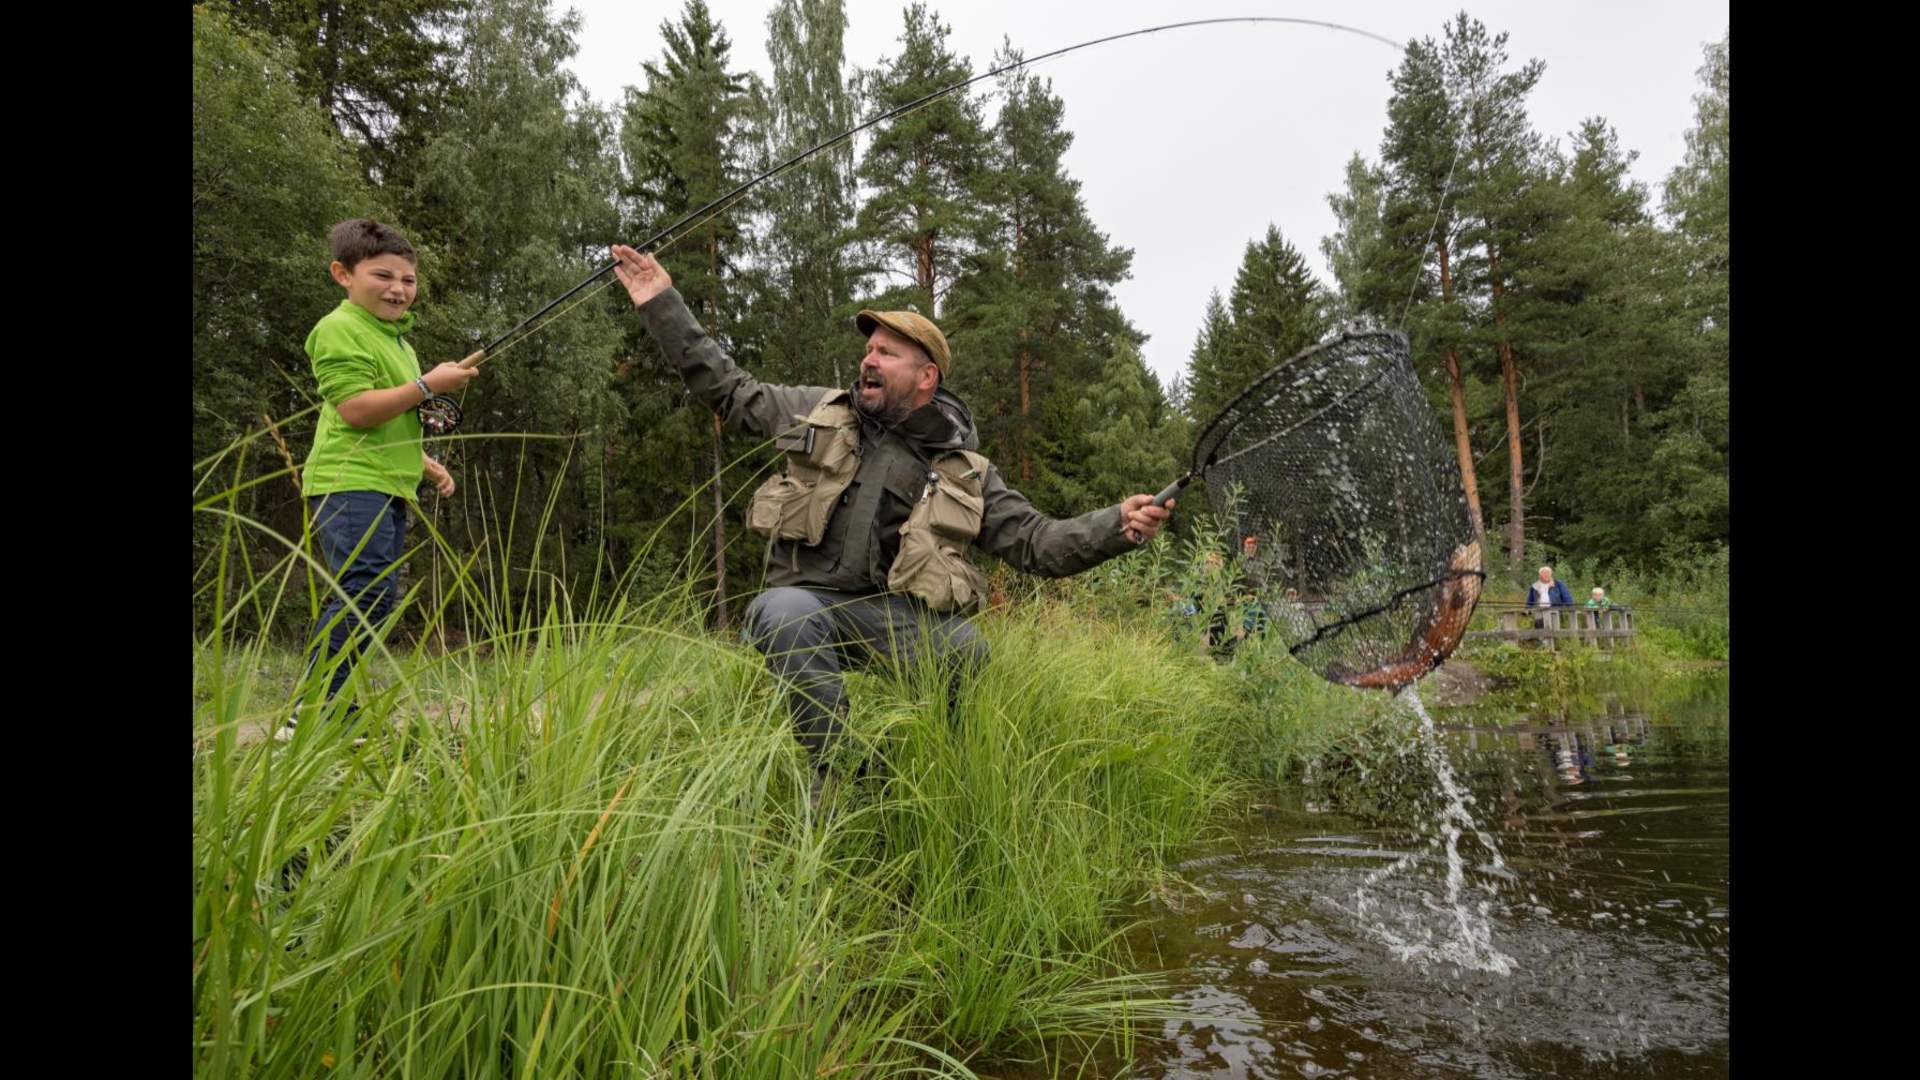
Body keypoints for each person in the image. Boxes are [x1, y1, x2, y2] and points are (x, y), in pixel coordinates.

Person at [608, 245, 1172, 797]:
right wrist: (662, 302)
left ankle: (940, 776)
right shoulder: (817, 409)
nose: (868, 360)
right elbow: (729, 391)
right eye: (869, 349)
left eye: (885, 352)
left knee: (968, 651)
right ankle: (839, 773)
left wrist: (1115, 526)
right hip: (807, 608)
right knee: (780, 612)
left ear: (926, 376)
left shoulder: (964, 470)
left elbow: (1036, 542)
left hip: (892, 623)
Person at [276, 219, 480, 743]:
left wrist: (424, 460)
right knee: (362, 591)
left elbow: (394, 413)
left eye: (408, 280)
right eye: (383, 275)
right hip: (348, 482)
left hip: (389, 483)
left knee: (376, 596)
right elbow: (356, 409)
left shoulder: (399, 343)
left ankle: (336, 711)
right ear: (343, 274)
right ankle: (312, 712)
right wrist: (428, 383)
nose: (398, 289)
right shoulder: (338, 329)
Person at [1529, 565, 1574, 629]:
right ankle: (1541, 638)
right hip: (1539, 611)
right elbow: (1530, 599)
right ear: (1540, 575)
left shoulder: (1558, 584)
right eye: (1544, 573)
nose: (1546, 575)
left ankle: (1555, 638)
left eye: (1548, 573)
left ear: (1551, 574)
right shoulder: (1535, 585)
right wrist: (1527, 609)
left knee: (1555, 628)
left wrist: (1570, 607)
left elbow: (1566, 595)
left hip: (1554, 610)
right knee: (1540, 628)